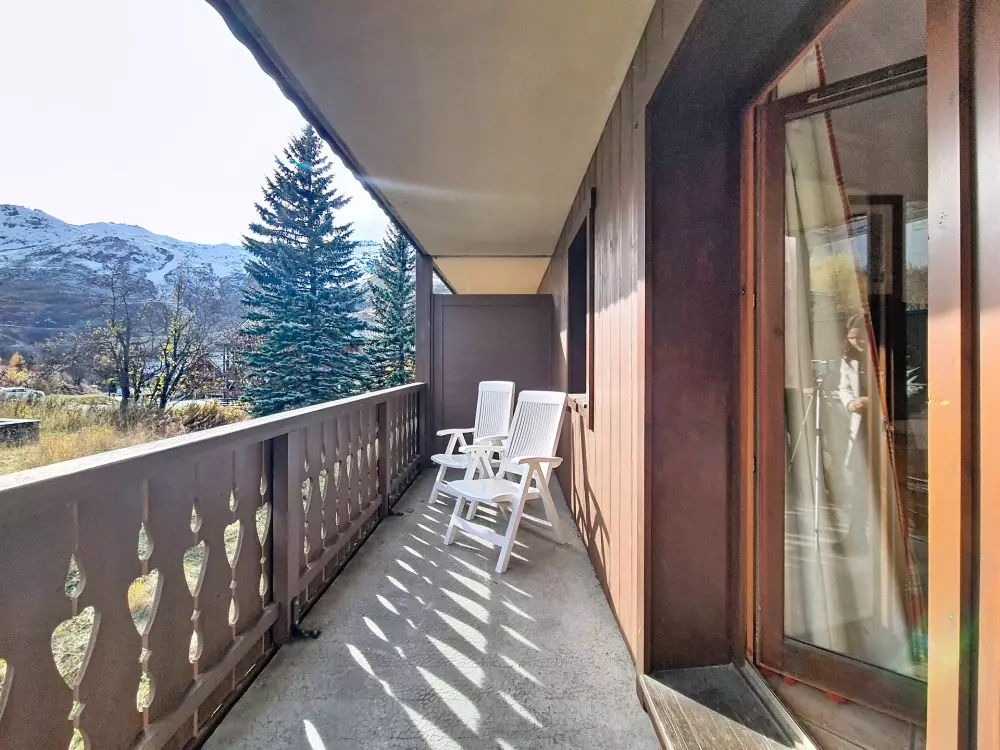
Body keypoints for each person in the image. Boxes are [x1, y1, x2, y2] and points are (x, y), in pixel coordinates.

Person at [839, 313, 872, 550]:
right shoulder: (848, 359)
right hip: (860, 429)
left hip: (884, 429)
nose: (856, 342)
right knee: (858, 483)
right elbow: (843, 388)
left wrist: (872, 401)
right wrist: (851, 403)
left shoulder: (885, 356)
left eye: (860, 338)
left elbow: (912, 387)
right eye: (852, 338)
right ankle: (856, 535)